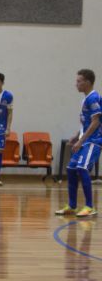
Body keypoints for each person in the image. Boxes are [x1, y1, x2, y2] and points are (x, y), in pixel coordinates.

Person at [56, 69, 101, 218]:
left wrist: (81, 141)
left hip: (93, 141)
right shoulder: (85, 99)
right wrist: (77, 135)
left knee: (82, 168)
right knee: (71, 169)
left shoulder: (92, 98)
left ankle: (89, 207)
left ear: (87, 82)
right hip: (84, 140)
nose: (76, 84)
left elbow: (95, 122)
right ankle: (72, 205)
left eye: (79, 81)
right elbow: (86, 123)